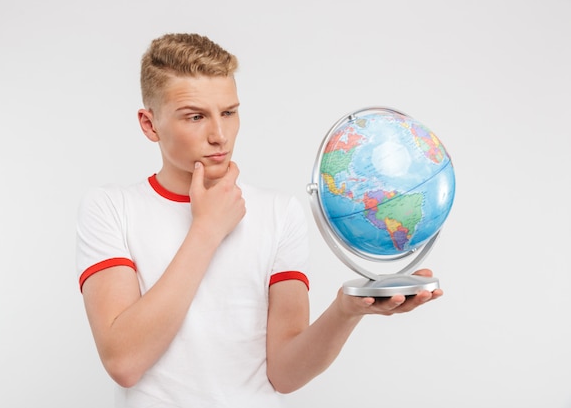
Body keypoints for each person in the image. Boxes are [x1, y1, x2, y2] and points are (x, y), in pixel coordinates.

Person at [75, 32, 442, 408]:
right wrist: (206, 230)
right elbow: (124, 362)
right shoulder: (110, 208)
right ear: (149, 124)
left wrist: (346, 311)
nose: (219, 135)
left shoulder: (278, 213)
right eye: (196, 116)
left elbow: (283, 374)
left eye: (229, 112)